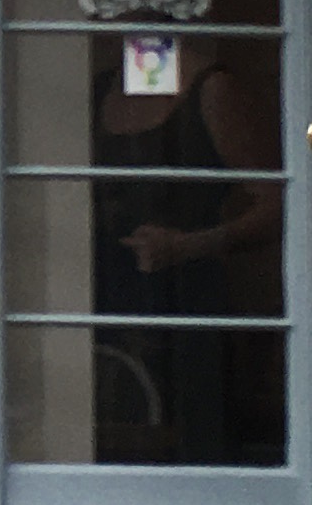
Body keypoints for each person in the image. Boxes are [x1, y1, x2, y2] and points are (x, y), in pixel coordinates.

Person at [91, 40, 282, 463]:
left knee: (194, 446)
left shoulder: (212, 90)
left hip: (188, 310)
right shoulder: (97, 89)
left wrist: (187, 246)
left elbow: (276, 202)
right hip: (103, 306)